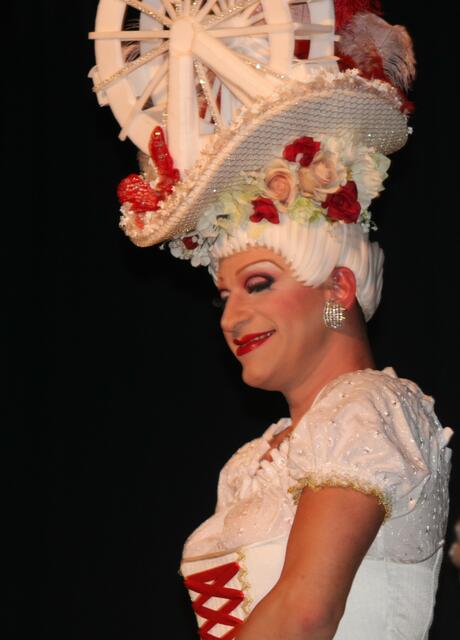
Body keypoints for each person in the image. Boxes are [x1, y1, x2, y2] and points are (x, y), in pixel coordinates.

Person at [95, 3, 453, 638]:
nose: (232, 317)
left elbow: (305, 614)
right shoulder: (251, 463)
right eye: (223, 296)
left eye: (258, 284)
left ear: (338, 287)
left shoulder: (367, 408)